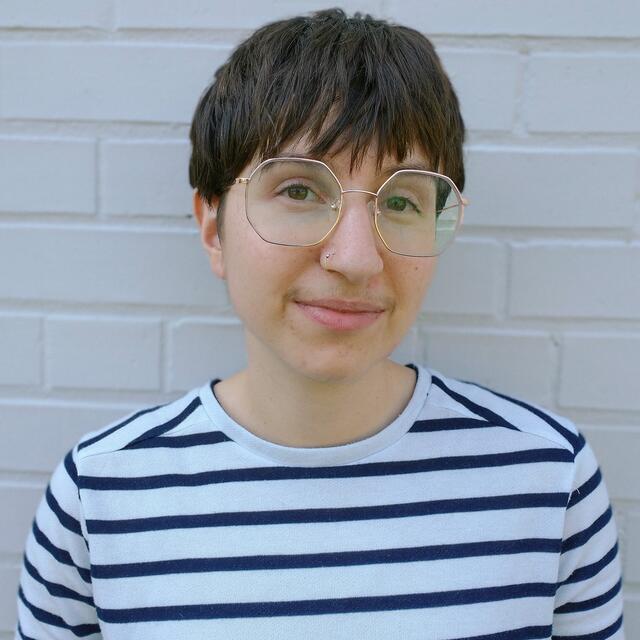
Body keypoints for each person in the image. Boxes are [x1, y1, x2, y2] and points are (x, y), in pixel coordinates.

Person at [15, 8, 624, 640]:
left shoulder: (548, 479)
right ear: (212, 227)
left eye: (401, 200)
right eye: (300, 191)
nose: (356, 259)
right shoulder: (102, 495)